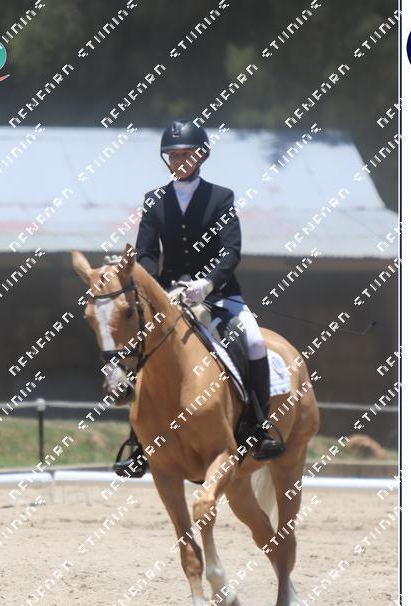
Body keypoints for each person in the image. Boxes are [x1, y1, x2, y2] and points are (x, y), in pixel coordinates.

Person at [114, 118, 285, 477]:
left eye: (187, 155)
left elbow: (231, 250)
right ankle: (138, 443)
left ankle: (259, 426)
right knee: (144, 351)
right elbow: (146, 254)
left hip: (217, 294)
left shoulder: (220, 197)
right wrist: (158, 288)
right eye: (174, 156)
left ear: (201, 155)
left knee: (254, 341)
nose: (180, 161)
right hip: (170, 296)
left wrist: (207, 283)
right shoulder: (155, 200)